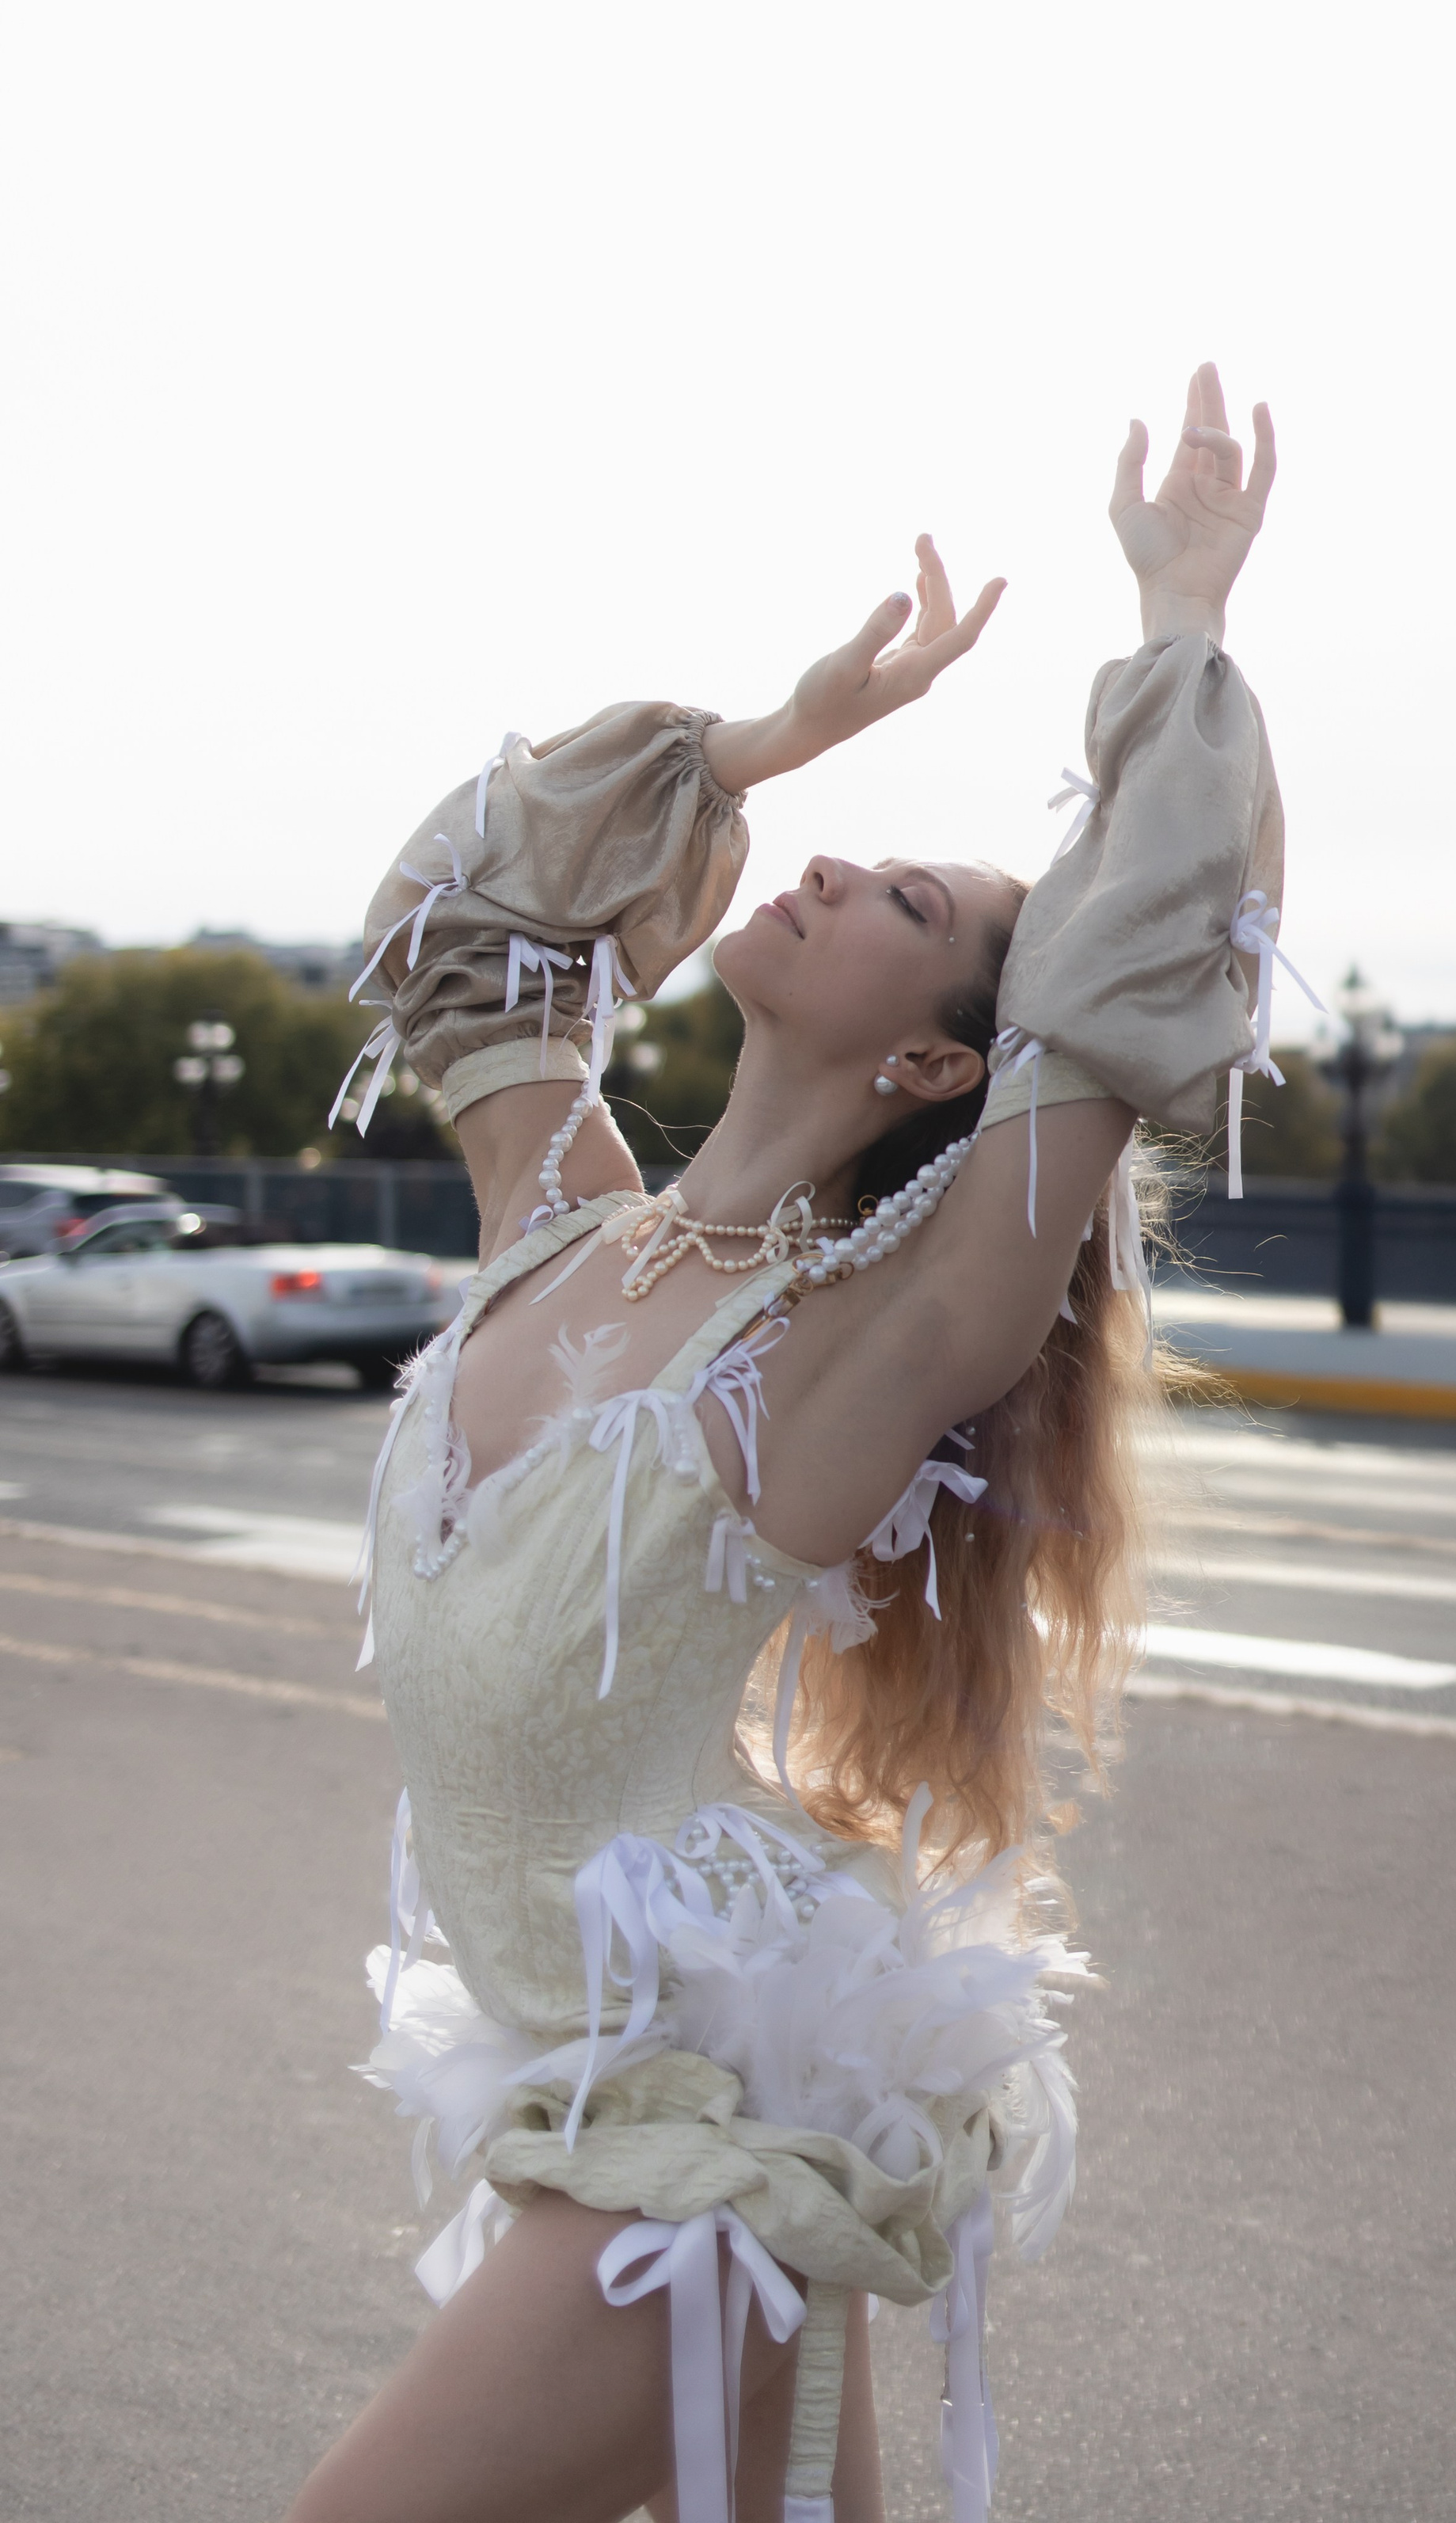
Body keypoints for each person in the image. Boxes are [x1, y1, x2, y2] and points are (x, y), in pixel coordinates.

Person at [289, 363, 1283, 2523]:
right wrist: (758, 748)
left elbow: (1122, 992)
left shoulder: (843, 1353)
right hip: (570, 2079)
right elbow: (458, 935)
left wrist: (1181, 613)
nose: (828, 866)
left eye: (905, 900)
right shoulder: (560, 1219)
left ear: (941, 1059)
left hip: (717, 2122)